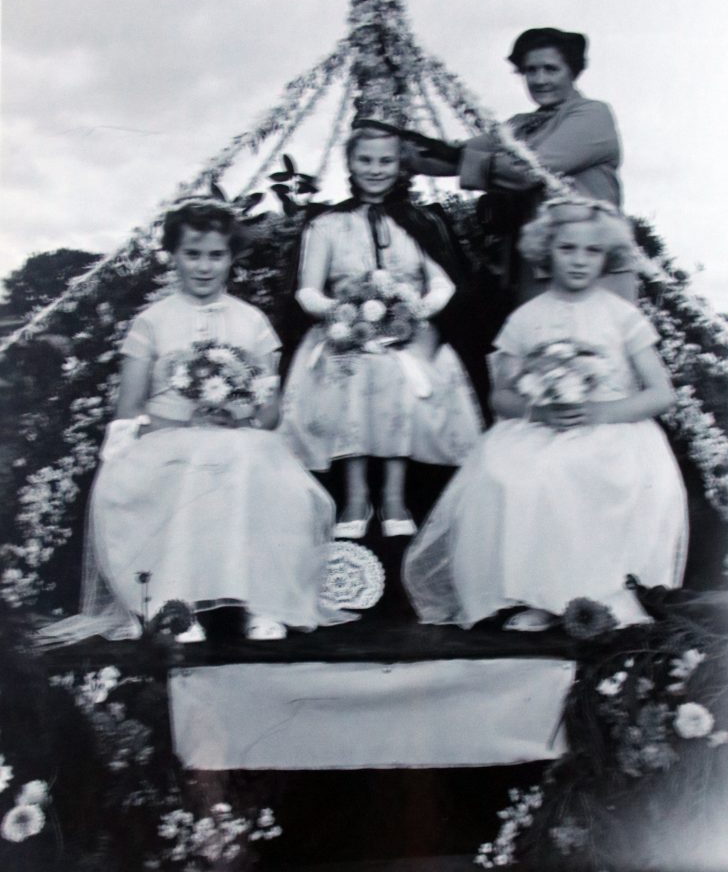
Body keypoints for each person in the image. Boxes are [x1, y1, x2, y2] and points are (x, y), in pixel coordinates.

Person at [63, 200, 351, 643]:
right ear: (173, 256)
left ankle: (263, 601)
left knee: (248, 461)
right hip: (165, 439)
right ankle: (177, 607)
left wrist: (237, 412)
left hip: (238, 438)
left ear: (232, 258)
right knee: (192, 466)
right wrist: (170, 424)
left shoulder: (251, 322)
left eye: (216, 255)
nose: (203, 266)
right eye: (192, 254)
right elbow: (128, 408)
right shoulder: (152, 322)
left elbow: (270, 413)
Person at [402, 196, 688, 630]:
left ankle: (605, 595)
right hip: (543, 425)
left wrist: (598, 411)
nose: (578, 261)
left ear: (607, 256)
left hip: (612, 428)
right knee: (509, 473)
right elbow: (501, 398)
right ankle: (539, 594)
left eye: (592, 251)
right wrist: (539, 411)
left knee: (587, 472)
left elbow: (660, 393)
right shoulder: (526, 319)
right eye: (566, 249)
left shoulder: (622, 317)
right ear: (545, 251)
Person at [280, 127, 482, 539]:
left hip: (407, 328)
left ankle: (393, 496)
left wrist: (417, 310)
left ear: (401, 163)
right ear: (350, 163)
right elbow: (307, 289)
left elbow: (442, 281)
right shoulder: (328, 224)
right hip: (344, 329)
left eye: (385, 161)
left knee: (396, 370)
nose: (375, 170)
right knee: (352, 368)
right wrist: (342, 313)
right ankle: (356, 497)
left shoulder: (421, 221)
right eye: (365, 160)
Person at [403, 27, 636, 308]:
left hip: (594, 271)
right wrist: (401, 151)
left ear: (572, 71)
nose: (539, 80)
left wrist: (456, 156)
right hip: (536, 269)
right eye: (530, 71)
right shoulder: (519, 125)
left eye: (551, 69)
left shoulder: (592, 114)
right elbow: (459, 154)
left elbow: (528, 172)